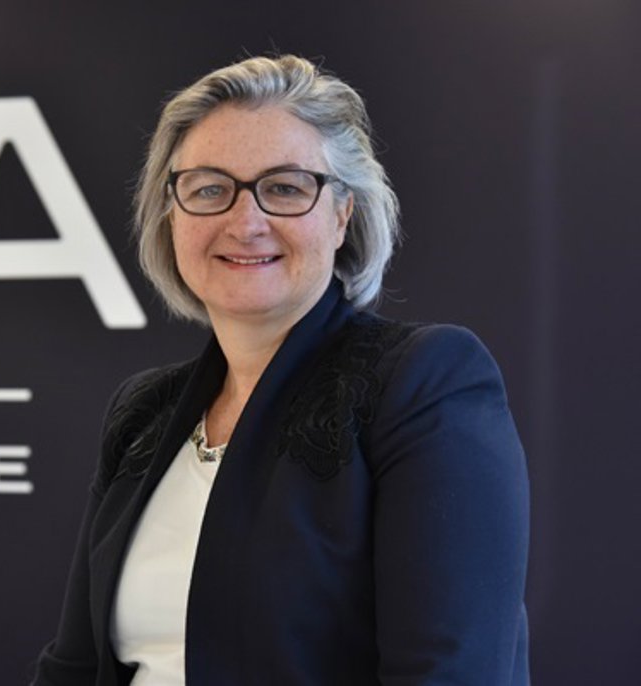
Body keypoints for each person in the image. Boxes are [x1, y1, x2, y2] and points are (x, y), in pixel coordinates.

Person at [30, 54, 529, 685]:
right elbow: (73, 668)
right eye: (209, 189)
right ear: (172, 214)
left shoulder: (423, 382)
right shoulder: (143, 412)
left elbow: (449, 673)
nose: (246, 223)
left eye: (286, 188)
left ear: (342, 214)